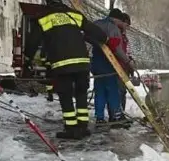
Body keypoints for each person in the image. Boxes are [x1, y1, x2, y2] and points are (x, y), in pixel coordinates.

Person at [24, 0, 108, 139]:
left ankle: (71, 128)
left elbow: (33, 42)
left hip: (62, 64)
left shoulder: (43, 18)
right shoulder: (74, 15)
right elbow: (93, 30)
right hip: (82, 63)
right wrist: (105, 38)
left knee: (66, 95)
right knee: (81, 93)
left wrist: (27, 60)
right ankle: (82, 126)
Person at [91, 8, 134, 128]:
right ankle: (117, 116)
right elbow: (117, 49)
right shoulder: (114, 29)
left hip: (96, 62)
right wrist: (128, 62)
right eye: (123, 23)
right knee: (113, 90)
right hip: (109, 63)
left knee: (99, 91)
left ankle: (99, 118)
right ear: (118, 20)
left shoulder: (96, 24)